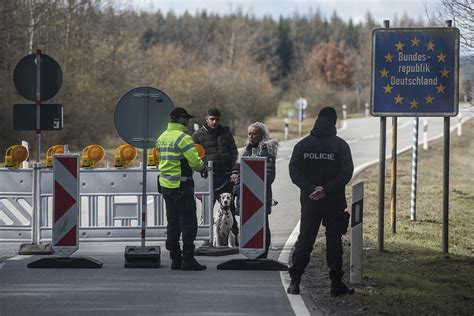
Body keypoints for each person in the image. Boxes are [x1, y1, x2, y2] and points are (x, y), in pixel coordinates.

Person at [287, 106, 354, 296]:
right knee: (334, 241)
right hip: (333, 202)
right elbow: (346, 173)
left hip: (310, 202)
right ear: (334, 122)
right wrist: (326, 189)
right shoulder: (341, 146)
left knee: (305, 241)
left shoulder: (302, 145)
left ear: (317, 120)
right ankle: (335, 284)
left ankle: (295, 281)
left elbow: (294, 172)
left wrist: (310, 188)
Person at [156, 107, 209, 271]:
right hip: (182, 186)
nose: (188, 122)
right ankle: (188, 260)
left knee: (172, 223)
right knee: (189, 223)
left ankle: (175, 259)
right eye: (186, 118)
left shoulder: (162, 137)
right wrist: (203, 168)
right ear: (180, 119)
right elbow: (194, 162)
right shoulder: (183, 138)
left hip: (166, 186)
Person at [192, 108, 239, 244]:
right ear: (206, 119)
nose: (215, 122)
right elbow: (194, 157)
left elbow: (234, 153)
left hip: (226, 178)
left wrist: (235, 171)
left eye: (217, 119)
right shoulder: (197, 136)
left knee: (230, 210)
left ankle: (234, 238)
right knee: (207, 210)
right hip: (208, 179)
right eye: (212, 119)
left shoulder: (226, 133)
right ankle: (207, 240)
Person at [232, 122, 278, 258]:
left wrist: (255, 186)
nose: (251, 136)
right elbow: (241, 171)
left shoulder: (267, 150)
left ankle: (263, 254)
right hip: (246, 195)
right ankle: (251, 252)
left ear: (261, 134)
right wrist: (237, 188)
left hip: (260, 195)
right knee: (249, 224)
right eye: (249, 134)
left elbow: (269, 174)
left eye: (254, 134)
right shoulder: (247, 149)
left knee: (263, 224)